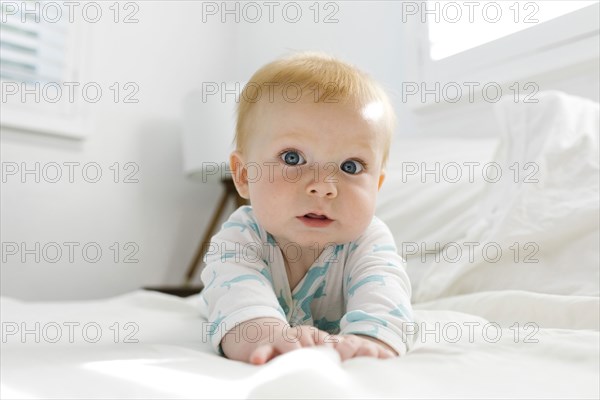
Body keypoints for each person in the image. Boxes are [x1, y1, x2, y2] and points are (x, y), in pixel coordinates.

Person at [199, 52, 413, 365]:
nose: (324, 186)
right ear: (244, 175)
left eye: (350, 166)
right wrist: (268, 334)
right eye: (292, 158)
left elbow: (386, 300)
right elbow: (238, 304)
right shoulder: (241, 237)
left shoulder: (367, 241)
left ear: (376, 187)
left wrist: (370, 340)